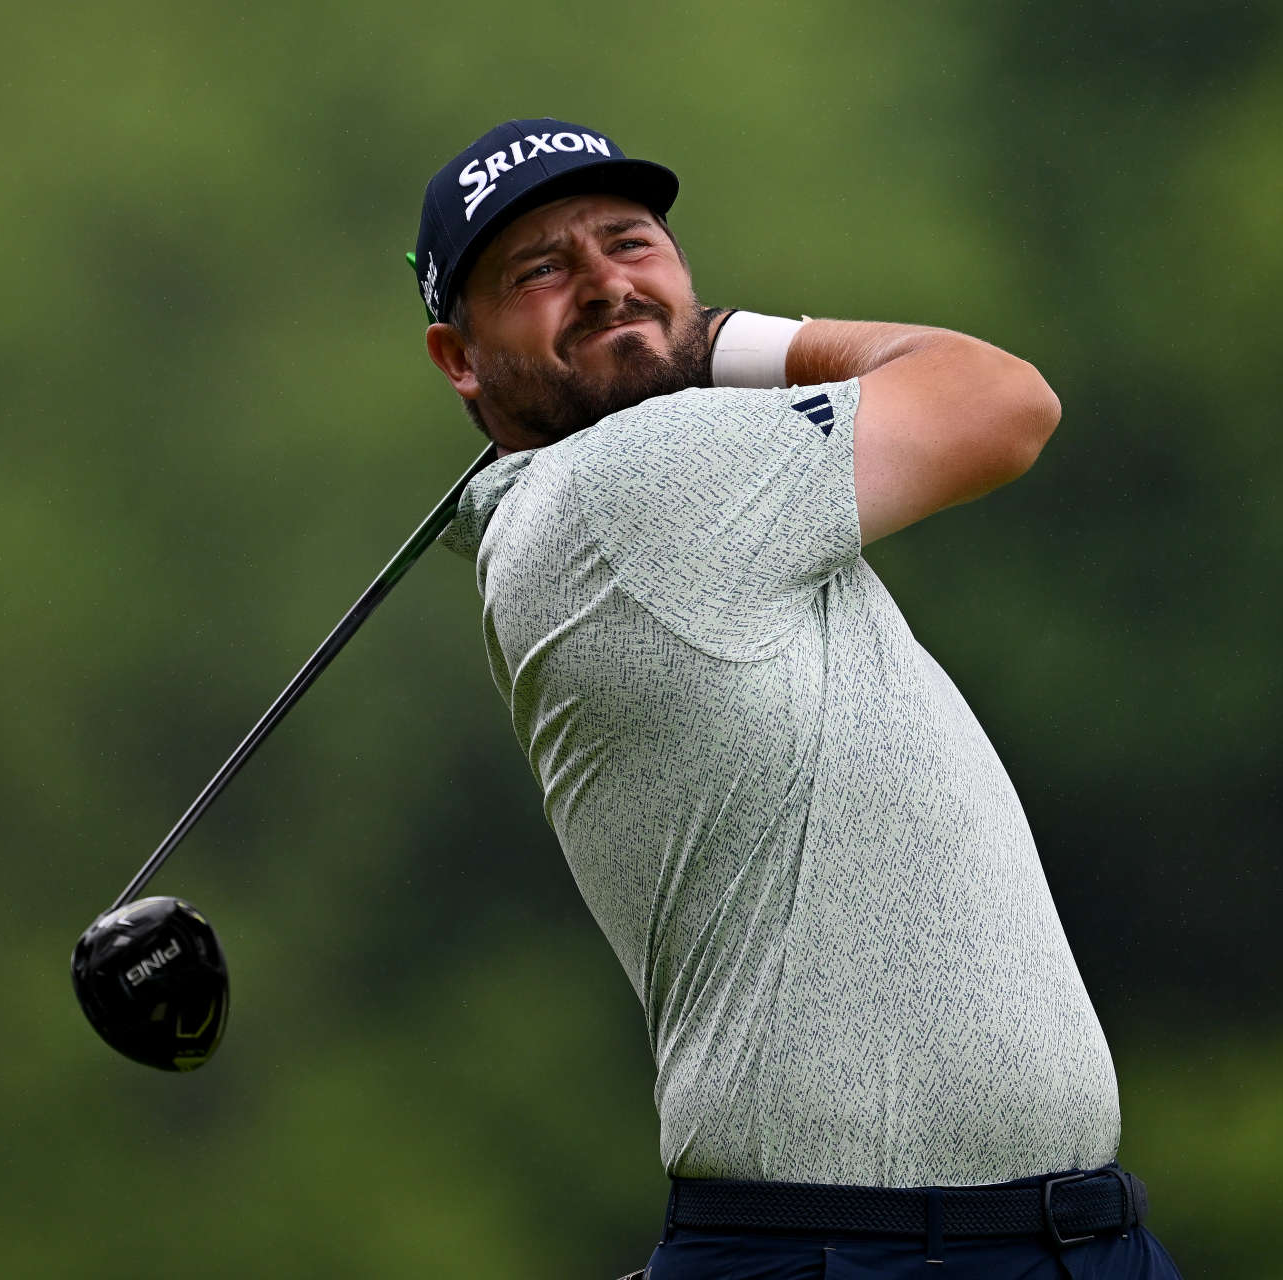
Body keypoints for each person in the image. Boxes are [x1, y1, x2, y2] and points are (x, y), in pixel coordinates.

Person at [415, 118, 1184, 1280]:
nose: (606, 283)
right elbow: (1002, 399)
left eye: (630, 243)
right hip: (859, 1250)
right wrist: (722, 336)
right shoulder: (630, 483)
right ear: (460, 359)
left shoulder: (643, 491)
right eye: (541, 270)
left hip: (1049, 1239)